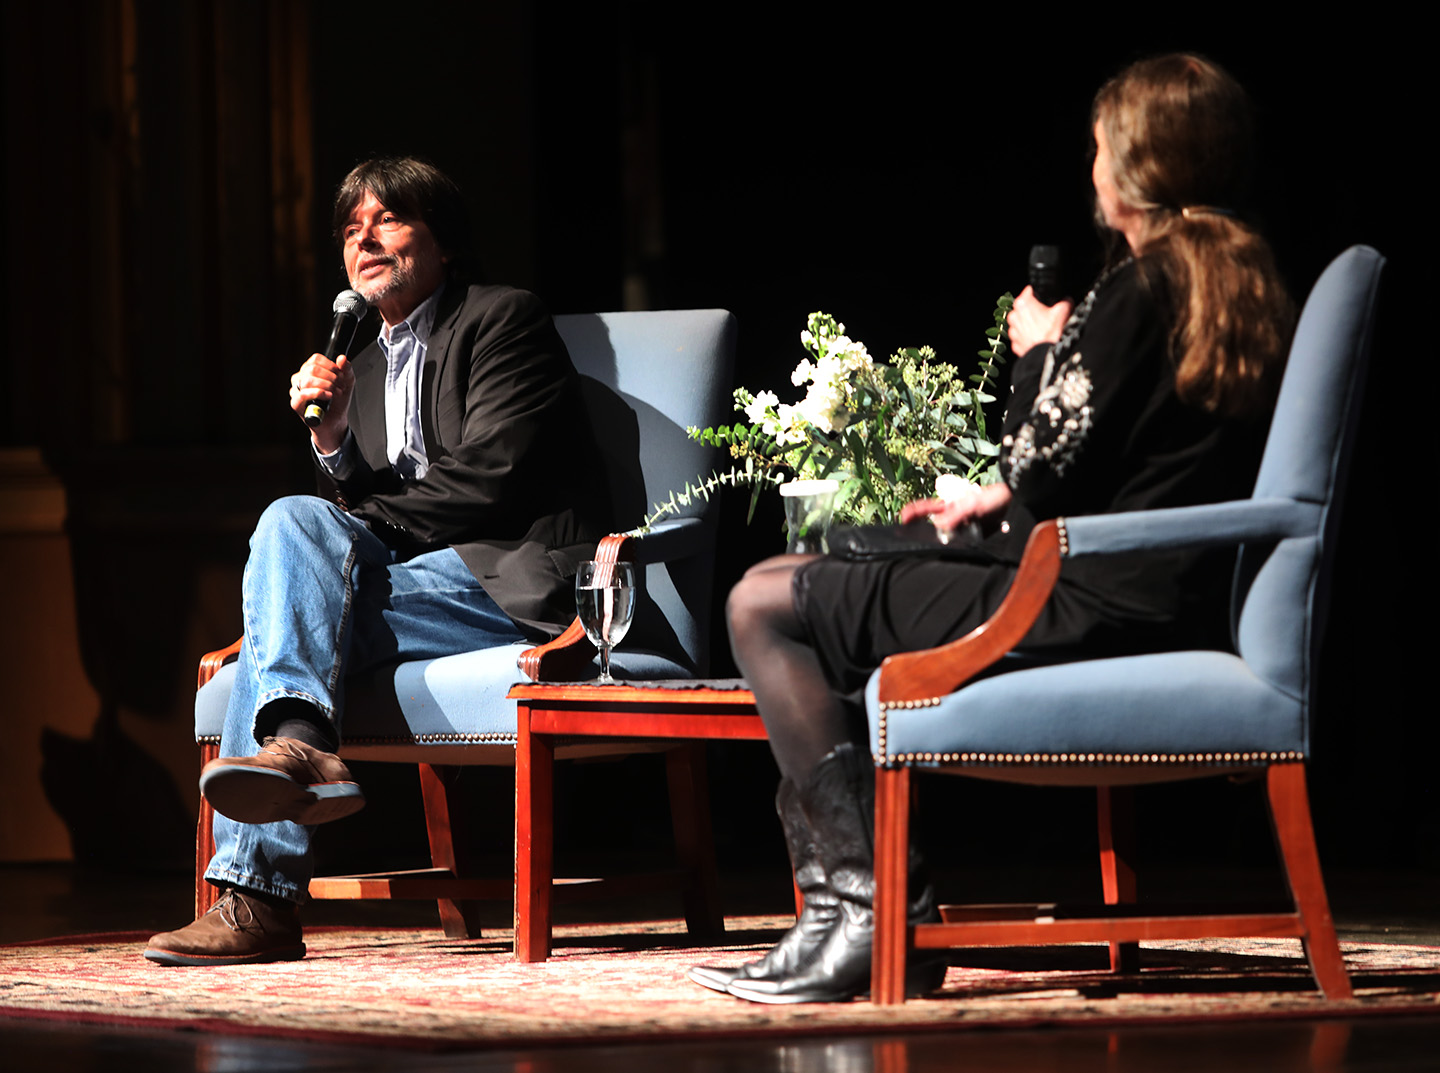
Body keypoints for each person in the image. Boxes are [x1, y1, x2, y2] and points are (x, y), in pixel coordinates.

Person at [692, 54, 1294, 1004]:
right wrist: (990, 499)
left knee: (762, 604)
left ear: (1138, 164)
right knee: (826, 560)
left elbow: (1041, 465)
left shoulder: (1142, 290)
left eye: (1100, 147)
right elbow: (1123, 465)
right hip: (1156, 584)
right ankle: (864, 914)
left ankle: (867, 912)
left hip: (1085, 592)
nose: (1093, 166)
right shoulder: (1239, 283)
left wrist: (1040, 352)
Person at [146, 157, 609, 966]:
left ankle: (258, 892)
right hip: (420, 582)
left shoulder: (504, 319)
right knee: (293, 525)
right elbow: (385, 502)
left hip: (508, 580)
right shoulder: (367, 362)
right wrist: (334, 442)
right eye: (351, 228)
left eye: (388, 219)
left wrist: (352, 525)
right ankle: (299, 747)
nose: (364, 239)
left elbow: (488, 478)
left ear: (444, 242)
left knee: (285, 611)